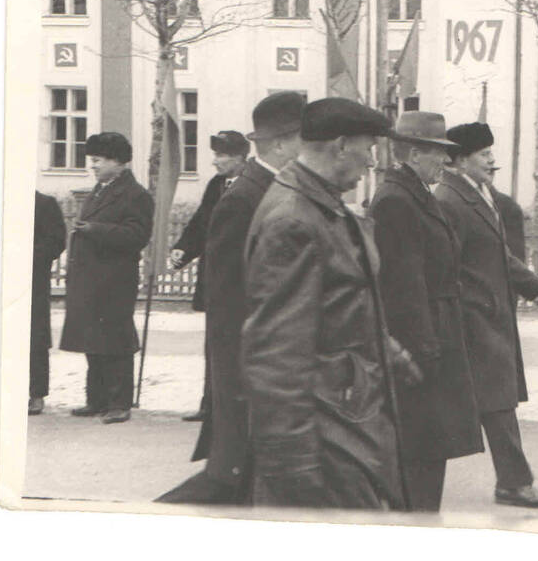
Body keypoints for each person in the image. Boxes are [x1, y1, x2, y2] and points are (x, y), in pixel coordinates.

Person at [241, 98, 421, 510]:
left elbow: (341, 302)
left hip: (344, 418)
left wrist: (390, 352)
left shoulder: (322, 205)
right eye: (368, 148)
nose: (372, 162)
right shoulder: (294, 219)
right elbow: (276, 352)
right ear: (340, 146)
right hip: (325, 439)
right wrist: (294, 462)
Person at [156, 92, 305, 504]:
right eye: (302, 141)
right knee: (227, 483)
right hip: (247, 369)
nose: (308, 150)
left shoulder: (274, 187)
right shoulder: (244, 198)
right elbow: (228, 303)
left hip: (266, 369)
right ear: (279, 143)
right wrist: (239, 377)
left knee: (241, 486)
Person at [436, 122, 538, 509]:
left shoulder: (476, 193)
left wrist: (533, 284)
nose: (492, 161)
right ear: (458, 160)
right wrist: (470, 303)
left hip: (489, 314)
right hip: (474, 318)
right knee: (495, 401)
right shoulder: (449, 200)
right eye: (484, 154)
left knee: (495, 400)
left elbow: (496, 252)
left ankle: (512, 481)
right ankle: (514, 482)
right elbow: (445, 264)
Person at [369, 111, 483, 511]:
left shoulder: (413, 194)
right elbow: (403, 285)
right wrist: (423, 347)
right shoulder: (396, 199)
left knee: (431, 447)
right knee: (420, 447)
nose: (445, 161)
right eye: (438, 153)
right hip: (421, 340)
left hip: (434, 330)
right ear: (415, 153)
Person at [60, 132, 153, 424]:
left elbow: (137, 236)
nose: (93, 166)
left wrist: (95, 230)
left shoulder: (136, 195)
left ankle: (119, 403)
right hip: (91, 281)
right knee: (93, 340)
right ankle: (97, 399)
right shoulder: (99, 190)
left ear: (117, 162)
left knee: (115, 342)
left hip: (114, 282)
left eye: (98, 160)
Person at [169, 130, 250, 423]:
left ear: (240, 158)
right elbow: (201, 223)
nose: (215, 162)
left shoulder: (253, 186)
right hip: (214, 280)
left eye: (221, 156)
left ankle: (234, 407)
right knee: (214, 344)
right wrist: (182, 250)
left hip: (240, 281)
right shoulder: (216, 185)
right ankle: (211, 405)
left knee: (236, 345)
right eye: (216, 155)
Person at [30, 191, 66, 416]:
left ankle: (35, 394)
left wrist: (23, 255)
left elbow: (56, 242)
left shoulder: (43, 203)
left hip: (31, 282)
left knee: (34, 337)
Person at [487, 165, 527, 262]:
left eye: (489, 173)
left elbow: (516, 252)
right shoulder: (462, 201)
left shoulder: (507, 206)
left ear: (491, 175)